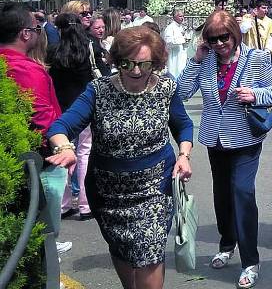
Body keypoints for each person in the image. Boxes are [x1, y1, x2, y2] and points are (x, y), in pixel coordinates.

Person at [47, 26, 193, 289]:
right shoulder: (98, 90)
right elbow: (61, 126)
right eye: (127, 63)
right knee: (122, 248)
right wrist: (64, 148)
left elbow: (183, 125)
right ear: (115, 61)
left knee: (149, 252)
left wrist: (184, 155)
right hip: (107, 192)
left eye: (143, 64)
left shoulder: (167, 88)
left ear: (156, 62)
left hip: (155, 189)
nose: (135, 71)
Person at [176, 10, 272, 288]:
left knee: (242, 193)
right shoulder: (206, 60)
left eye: (223, 37)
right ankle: (227, 244)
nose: (219, 44)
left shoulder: (257, 58)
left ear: (234, 34)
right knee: (222, 195)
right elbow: (182, 92)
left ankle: (250, 260)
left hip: (246, 139)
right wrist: (195, 59)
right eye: (212, 39)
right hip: (216, 139)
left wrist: (256, 94)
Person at [0, 3, 71, 255]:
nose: (39, 32)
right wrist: (63, 147)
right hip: (38, 159)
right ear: (25, 34)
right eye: (36, 28)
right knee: (42, 232)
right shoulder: (25, 69)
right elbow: (43, 118)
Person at [47, 13, 98, 221]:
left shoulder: (54, 52)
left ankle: (63, 204)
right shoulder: (89, 49)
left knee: (61, 154)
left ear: (60, 30)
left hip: (61, 110)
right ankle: (86, 204)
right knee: (85, 152)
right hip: (84, 107)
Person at [163, 9, 189, 78]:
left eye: (183, 16)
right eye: (180, 16)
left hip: (181, 55)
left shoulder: (181, 27)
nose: (182, 18)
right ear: (174, 17)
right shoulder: (170, 28)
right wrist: (182, 40)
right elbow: (168, 41)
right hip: (174, 56)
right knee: (174, 74)